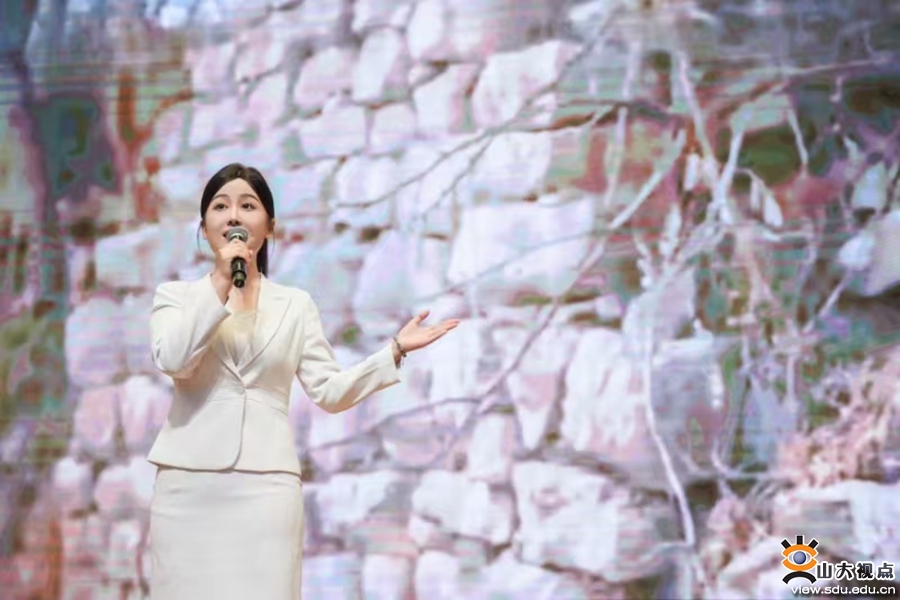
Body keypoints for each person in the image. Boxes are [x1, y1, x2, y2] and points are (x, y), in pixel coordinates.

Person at [145, 163, 459, 599]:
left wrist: (394, 351)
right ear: (204, 226)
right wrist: (220, 280)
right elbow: (175, 360)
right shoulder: (176, 297)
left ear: (270, 226)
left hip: (267, 487)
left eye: (247, 205)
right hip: (189, 487)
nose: (234, 215)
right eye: (220, 206)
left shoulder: (295, 306)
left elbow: (329, 391)